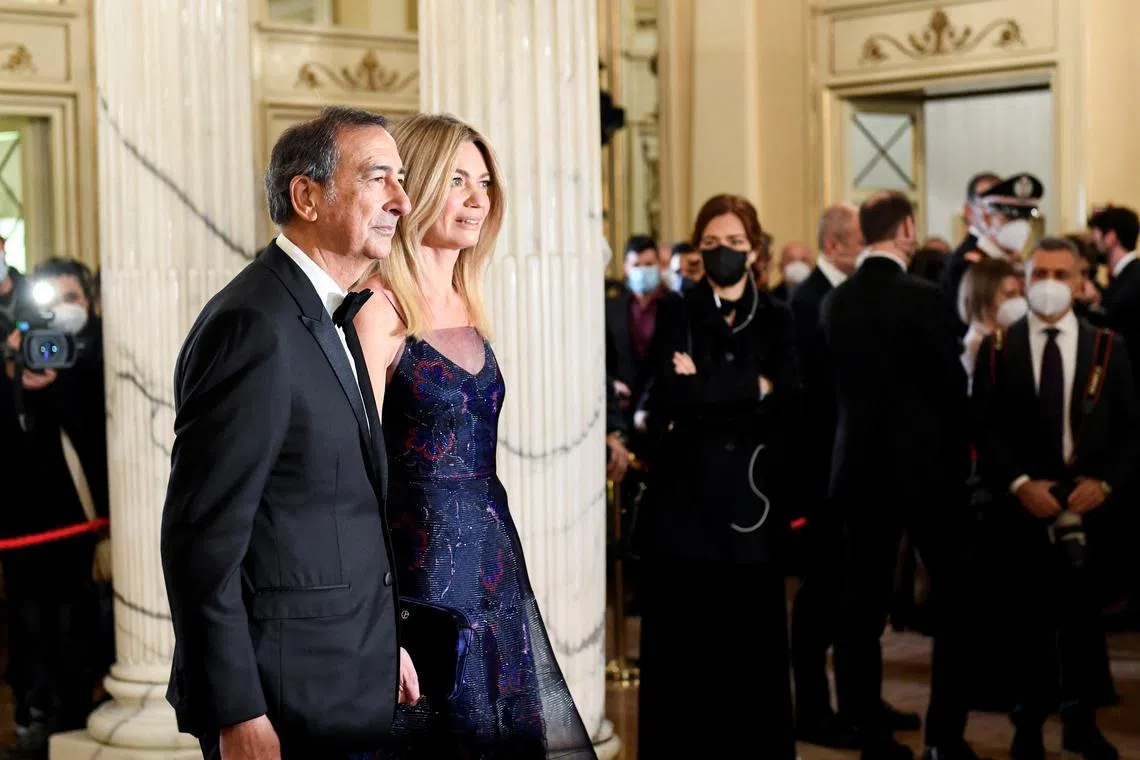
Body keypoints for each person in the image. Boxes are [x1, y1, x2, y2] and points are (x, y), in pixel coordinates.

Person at [160, 106, 418, 760]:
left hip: (344, 671)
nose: (402, 201)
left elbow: (331, 514)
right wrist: (236, 710)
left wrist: (385, 644)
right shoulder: (253, 324)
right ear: (307, 195)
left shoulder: (333, 312)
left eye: (402, 179)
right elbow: (202, 541)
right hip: (280, 698)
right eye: (378, 178)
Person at [352, 112, 596, 758]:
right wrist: (379, 628)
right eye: (457, 180)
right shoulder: (379, 309)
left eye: (483, 183)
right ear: (419, 187)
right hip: (420, 577)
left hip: (492, 564)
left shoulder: (470, 303)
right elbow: (357, 473)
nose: (476, 199)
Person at [637, 193, 800, 759]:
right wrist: (749, 387)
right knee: (684, 658)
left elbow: (789, 402)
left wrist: (705, 388)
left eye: (734, 243)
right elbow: (667, 397)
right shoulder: (678, 311)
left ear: (754, 250)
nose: (723, 253)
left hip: (753, 509)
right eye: (711, 244)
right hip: (685, 510)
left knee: (751, 659)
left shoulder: (780, 317)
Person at [821, 191, 982, 760]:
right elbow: (950, 387)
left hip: (857, 472)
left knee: (860, 610)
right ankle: (944, 737)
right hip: (926, 474)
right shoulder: (923, 297)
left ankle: (869, 735)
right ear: (909, 228)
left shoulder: (834, 303)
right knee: (956, 602)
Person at [973, 237, 1136, 760]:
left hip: (1087, 505)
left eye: (1061, 274)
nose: (1050, 283)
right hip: (1024, 504)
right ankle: (1027, 724)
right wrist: (1020, 484)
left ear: (1080, 280)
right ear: (1023, 277)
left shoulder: (1109, 347)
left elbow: (1133, 430)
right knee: (1027, 623)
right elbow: (982, 428)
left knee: (1083, 622)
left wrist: (1105, 483)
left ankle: (1080, 721)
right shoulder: (998, 349)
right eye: (1039, 272)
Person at [789, 203, 920, 749]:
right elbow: (812, 399)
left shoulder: (847, 296)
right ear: (839, 242)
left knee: (859, 599)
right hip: (822, 477)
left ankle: (862, 702)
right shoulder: (809, 301)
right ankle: (817, 712)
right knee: (821, 603)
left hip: (856, 474)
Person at [0, 258, 108, 760]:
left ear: (90, 303)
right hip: (27, 525)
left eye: (73, 299)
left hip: (87, 522)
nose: (65, 313)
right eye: (54, 301)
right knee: (30, 622)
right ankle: (35, 711)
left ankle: (76, 704)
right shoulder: (18, 355)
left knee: (82, 619)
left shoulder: (103, 351)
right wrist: (14, 375)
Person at [959, 257, 1025, 389]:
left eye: (1021, 294)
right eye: (1010, 295)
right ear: (984, 297)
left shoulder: (1002, 337)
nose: (1019, 301)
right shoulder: (976, 345)